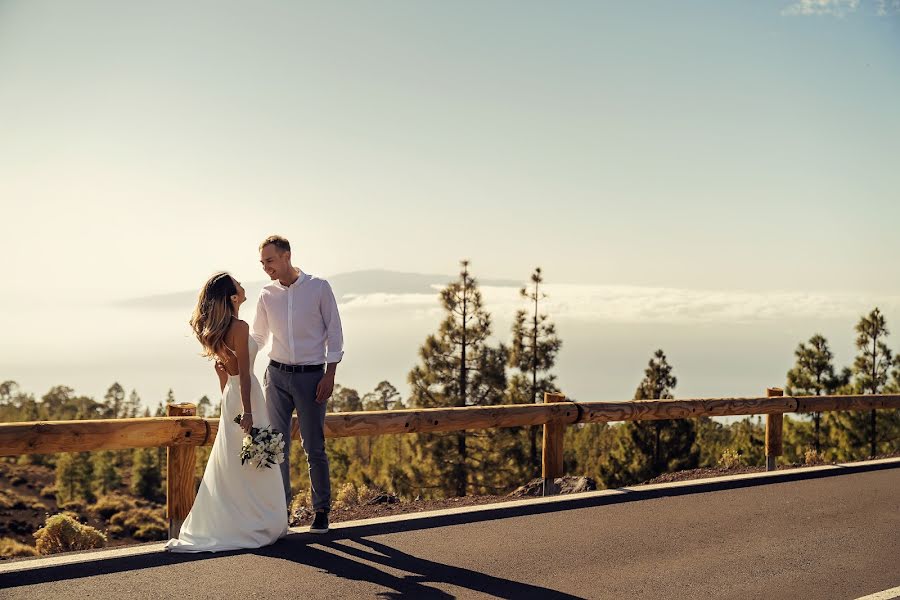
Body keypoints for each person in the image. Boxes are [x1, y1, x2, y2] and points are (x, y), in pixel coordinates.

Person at [165, 272, 287, 552]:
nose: (243, 287)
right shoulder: (240, 327)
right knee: (254, 458)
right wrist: (249, 412)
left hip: (230, 397)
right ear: (233, 296)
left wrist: (230, 400)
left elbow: (224, 373)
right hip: (247, 398)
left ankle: (238, 520)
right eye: (239, 285)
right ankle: (257, 522)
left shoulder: (220, 329)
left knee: (236, 461)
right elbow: (244, 374)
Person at [252, 234, 344, 534]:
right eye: (263, 262)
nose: (266, 267)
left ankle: (321, 511)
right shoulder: (266, 294)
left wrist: (330, 375)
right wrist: (234, 358)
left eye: (270, 260)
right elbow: (259, 337)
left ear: (287, 256)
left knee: (313, 446)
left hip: (311, 377)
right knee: (274, 446)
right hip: (275, 377)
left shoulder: (318, 287)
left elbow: (335, 332)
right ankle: (280, 512)